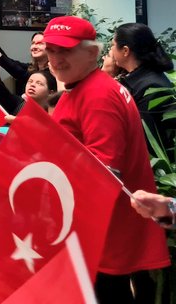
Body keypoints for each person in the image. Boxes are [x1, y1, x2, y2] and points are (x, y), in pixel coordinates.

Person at [43, 15, 170, 303]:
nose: (56, 59)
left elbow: (103, 173)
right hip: (101, 231)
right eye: (51, 50)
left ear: (92, 53)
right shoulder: (85, 87)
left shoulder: (97, 95)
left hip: (106, 232)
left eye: (66, 50)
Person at [111, 22, 175, 149]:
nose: (111, 50)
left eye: (112, 45)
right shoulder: (134, 78)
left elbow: (148, 142)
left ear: (125, 51)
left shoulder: (152, 87)